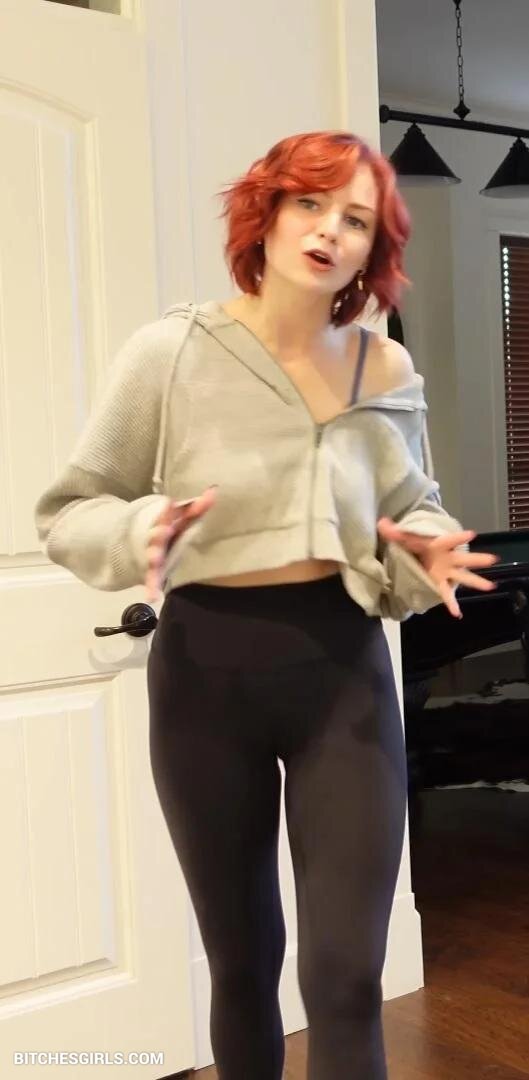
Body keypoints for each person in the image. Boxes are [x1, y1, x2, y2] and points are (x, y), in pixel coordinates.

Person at [34, 130, 498, 1080]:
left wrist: (424, 547)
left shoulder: (384, 368)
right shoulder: (172, 351)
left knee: (346, 977)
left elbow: (410, 504)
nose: (328, 231)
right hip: (206, 677)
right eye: (308, 204)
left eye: (355, 219)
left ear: (374, 249)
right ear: (267, 213)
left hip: (343, 676)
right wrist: (143, 529)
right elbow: (71, 509)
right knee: (243, 962)